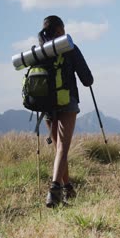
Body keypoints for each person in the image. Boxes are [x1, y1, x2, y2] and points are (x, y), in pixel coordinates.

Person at [38, 15, 94, 208]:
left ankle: (68, 187)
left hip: (46, 105)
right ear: (60, 30)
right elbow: (87, 79)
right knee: (62, 147)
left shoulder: (40, 52)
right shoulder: (69, 47)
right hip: (67, 101)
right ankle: (54, 192)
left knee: (58, 149)